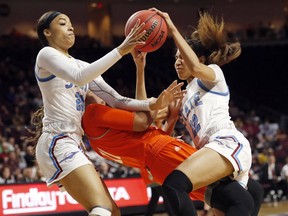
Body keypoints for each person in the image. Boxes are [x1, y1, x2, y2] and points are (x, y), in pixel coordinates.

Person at [33, 10, 184, 216]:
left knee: (112, 212)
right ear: (47, 33)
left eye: (70, 24)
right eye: (62, 23)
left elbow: (117, 100)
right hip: (57, 141)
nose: (70, 27)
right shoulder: (46, 55)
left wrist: (154, 103)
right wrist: (121, 49)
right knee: (102, 209)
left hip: (73, 143)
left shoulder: (82, 65)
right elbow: (79, 77)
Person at [153, 8, 255, 216]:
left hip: (226, 143)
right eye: (175, 58)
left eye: (183, 57)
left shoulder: (212, 75)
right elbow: (165, 137)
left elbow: (197, 69)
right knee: (235, 205)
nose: (178, 62)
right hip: (211, 155)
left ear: (198, 59)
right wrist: (171, 118)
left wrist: (172, 29)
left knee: (174, 184)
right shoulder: (183, 96)